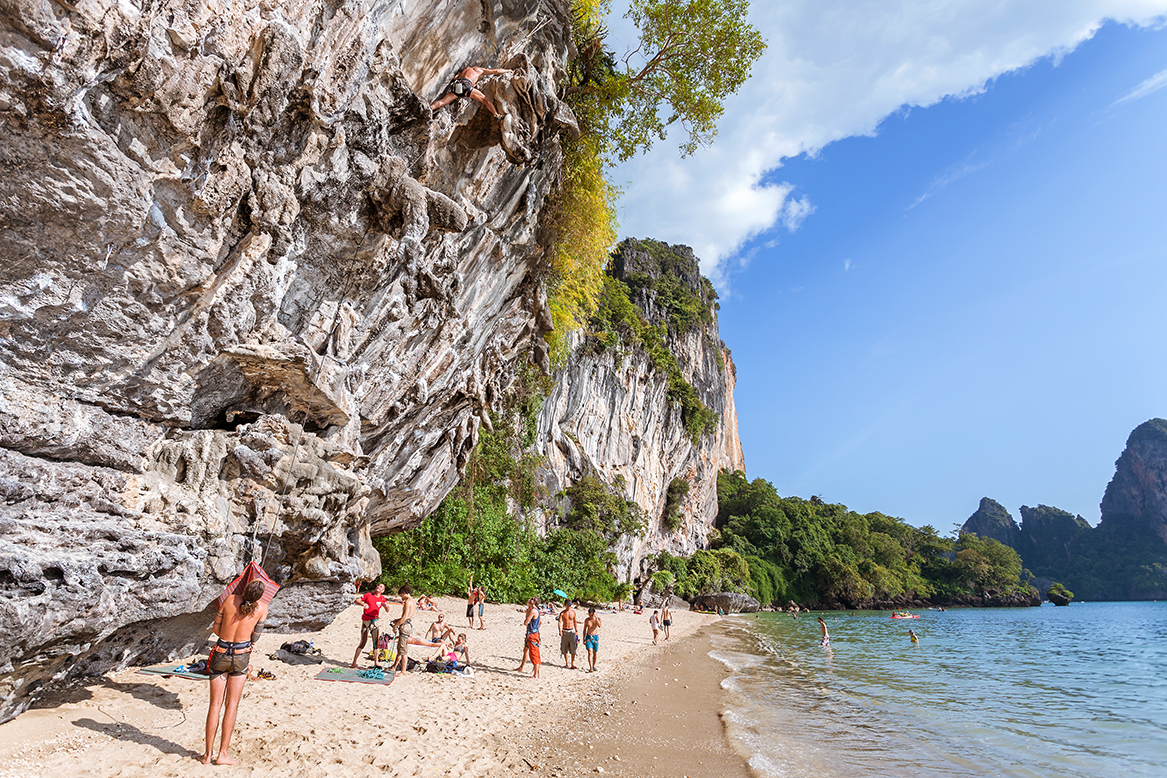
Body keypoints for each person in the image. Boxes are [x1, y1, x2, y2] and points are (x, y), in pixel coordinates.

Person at [201, 580, 268, 765]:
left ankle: (207, 755)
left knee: (215, 705)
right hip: (240, 656)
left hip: (220, 653)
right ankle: (222, 754)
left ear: (245, 589)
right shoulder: (262, 608)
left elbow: (216, 629)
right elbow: (255, 637)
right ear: (260, 596)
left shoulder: (230, 600)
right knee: (232, 705)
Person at [430, 66, 513, 119]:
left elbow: (455, 78)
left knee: (442, 102)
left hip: (456, 85)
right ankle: (496, 115)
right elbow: (496, 71)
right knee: (486, 100)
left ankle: (430, 108)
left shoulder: (464, 71)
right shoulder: (479, 70)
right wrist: (508, 70)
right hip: (465, 85)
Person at [351, 583, 389, 668]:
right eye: (378, 586)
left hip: (375, 621)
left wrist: (386, 606)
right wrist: (363, 604)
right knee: (363, 641)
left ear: (383, 591)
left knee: (376, 642)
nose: (378, 587)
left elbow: (388, 610)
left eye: (381, 587)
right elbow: (356, 600)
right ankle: (354, 662)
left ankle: (376, 662)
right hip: (366, 620)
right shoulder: (368, 595)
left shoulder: (382, 598)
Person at [390, 584, 416, 674]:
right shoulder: (413, 602)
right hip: (408, 624)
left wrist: (395, 625)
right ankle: (394, 666)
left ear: (404, 592)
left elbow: (404, 617)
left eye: (401, 595)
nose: (401, 597)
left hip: (405, 626)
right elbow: (408, 616)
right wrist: (397, 620)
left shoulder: (408, 602)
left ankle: (403, 671)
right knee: (400, 648)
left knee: (403, 650)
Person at [514, 597, 541, 678]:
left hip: (532, 634)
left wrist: (531, 625)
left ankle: (536, 674)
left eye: (532, 599)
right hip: (532, 632)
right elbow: (540, 622)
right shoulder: (533, 610)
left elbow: (526, 622)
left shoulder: (533, 611)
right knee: (528, 650)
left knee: (534, 653)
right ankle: (527, 669)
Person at [558, 601, 579, 669]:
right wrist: (560, 631)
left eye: (569, 605)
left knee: (573, 648)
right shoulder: (562, 613)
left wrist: (576, 631)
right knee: (564, 647)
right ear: (565, 605)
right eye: (567, 605)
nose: (568, 607)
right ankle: (567, 663)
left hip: (571, 631)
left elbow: (575, 621)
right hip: (564, 631)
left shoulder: (573, 612)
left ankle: (572, 663)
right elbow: (559, 622)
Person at [582, 607, 601, 672]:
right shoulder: (587, 620)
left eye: (592, 615)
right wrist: (583, 638)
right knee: (590, 652)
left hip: (595, 637)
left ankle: (594, 665)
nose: (590, 616)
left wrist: (596, 618)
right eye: (589, 615)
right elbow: (584, 629)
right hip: (588, 636)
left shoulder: (597, 619)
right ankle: (590, 667)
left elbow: (599, 625)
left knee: (595, 652)